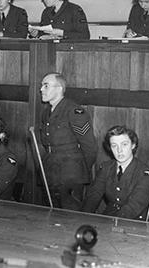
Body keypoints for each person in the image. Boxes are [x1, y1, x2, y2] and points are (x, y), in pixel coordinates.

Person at [39, 72, 97, 210]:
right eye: (42, 86)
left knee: (70, 217)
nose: (41, 89)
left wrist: (77, 168)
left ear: (59, 88)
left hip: (70, 175)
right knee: (50, 214)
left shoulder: (74, 111)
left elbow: (90, 147)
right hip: (50, 171)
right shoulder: (46, 113)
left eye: (46, 86)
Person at [82, 125, 149, 219]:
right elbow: (93, 196)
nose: (119, 150)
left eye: (124, 144)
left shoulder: (145, 174)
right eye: (114, 145)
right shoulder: (106, 167)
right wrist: (82, 218)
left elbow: (134, 207)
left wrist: (111, 224)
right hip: (110, 216)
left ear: (133, 145)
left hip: (134, 221)